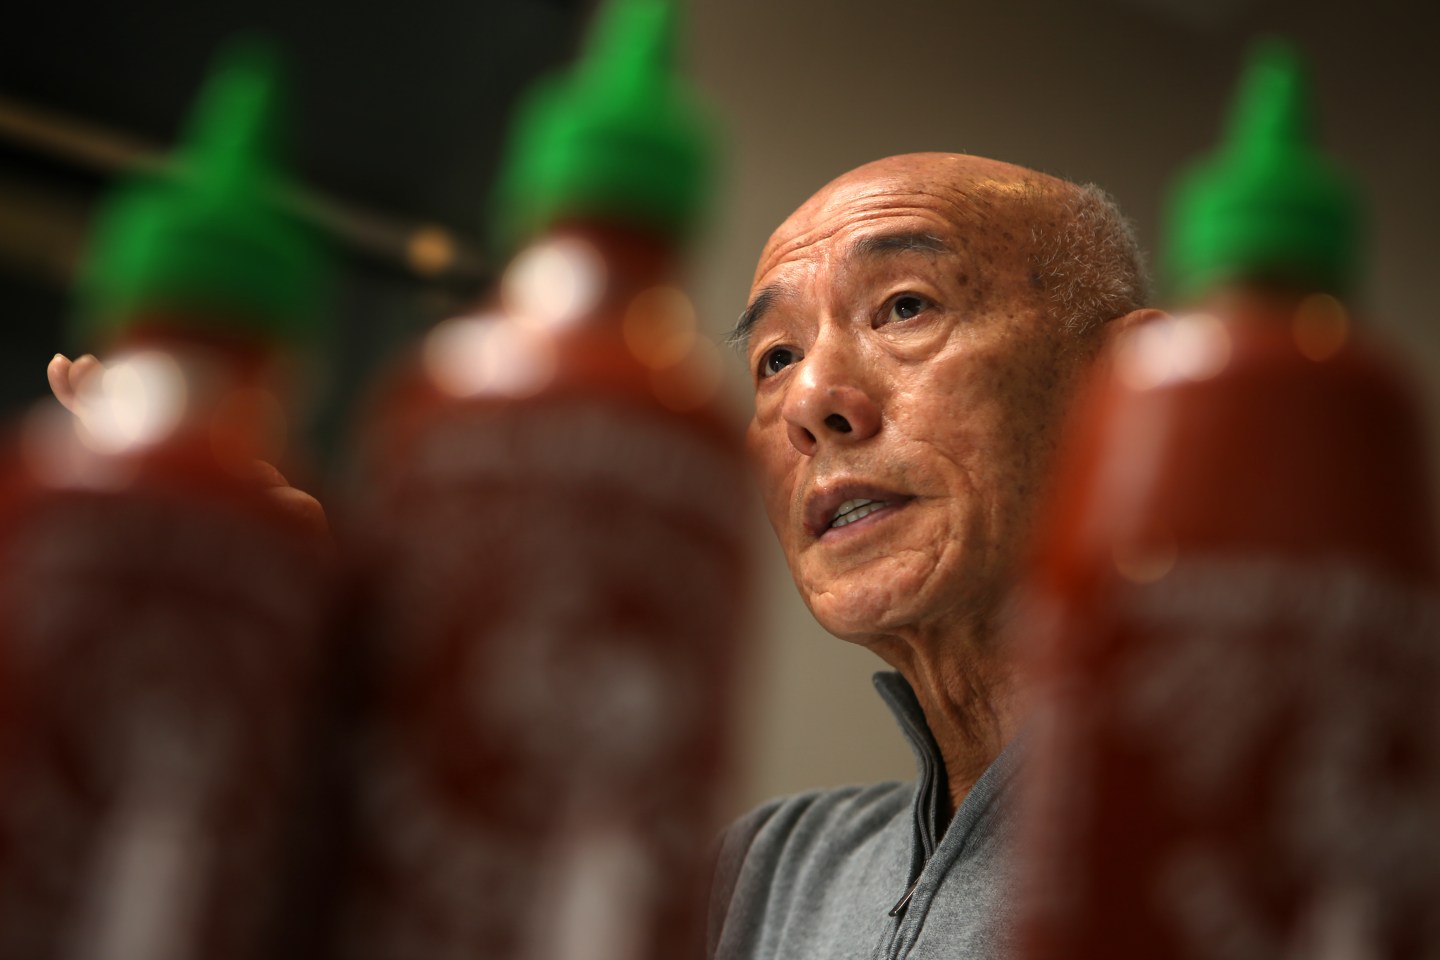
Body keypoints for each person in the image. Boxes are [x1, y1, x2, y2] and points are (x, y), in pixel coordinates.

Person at [708, 152, 1156, 960]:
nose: (810, 401)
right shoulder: (755, 882)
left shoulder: (1270, 862)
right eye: (777, 358)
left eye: (905, 307)